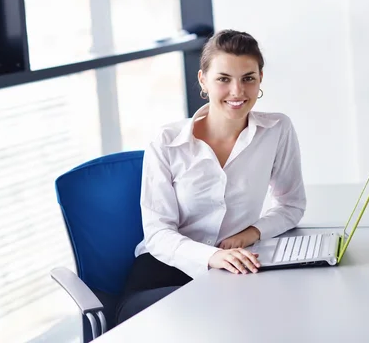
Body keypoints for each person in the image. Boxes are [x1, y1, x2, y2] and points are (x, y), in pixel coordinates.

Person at [116, 29, 306, 324]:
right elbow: (157, 234)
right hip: (164, 275)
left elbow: (291, 205)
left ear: (260, 80)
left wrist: (251, 233)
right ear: (203, 80)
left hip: (232, 270)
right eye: (223, 79)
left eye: (248, 78)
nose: (237, 92)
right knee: (222, 321)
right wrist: (210, 257)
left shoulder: (277, 130)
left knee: (279, 313)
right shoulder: (168, 141)